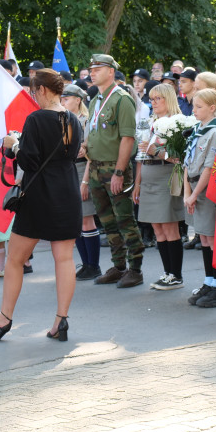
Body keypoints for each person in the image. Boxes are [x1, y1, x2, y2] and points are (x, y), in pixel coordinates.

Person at [0, 69, 83, 341]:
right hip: (67, 191)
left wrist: (14, 145)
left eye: (34, 91)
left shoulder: (36, 118)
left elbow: (30, 161)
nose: (33, 96)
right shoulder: (74, 119)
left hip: (39, 195)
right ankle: (61, 320)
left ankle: (4, 316)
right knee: (65, 258)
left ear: (44, 90)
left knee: (15, 259)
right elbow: (70, 156)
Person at [83, 55, 142, 288]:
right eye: (91, 68)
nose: (92, 72)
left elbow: (127, 138)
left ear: (111, 71)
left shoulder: (121, 99)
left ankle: (135, 268)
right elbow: (95, 130)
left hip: (114, 168)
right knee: (107, 221)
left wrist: (119, 172)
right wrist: (85, 145)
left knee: (125, 219)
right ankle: (118, 266)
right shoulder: (95, 99)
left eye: (97, 68)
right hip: (97, 167)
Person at [135, 84, 187, 290]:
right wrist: (137, 184)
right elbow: (141, 155)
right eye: (152, 99)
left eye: (158, 99)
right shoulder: (149, 122)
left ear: (168, 99)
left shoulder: (178, 123)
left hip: (165, 175)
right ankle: (167, 273)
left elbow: (179, 158)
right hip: (148, 175)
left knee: (169, 226)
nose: (153, 103)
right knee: (157, 227)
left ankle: (176, 275)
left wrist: (155, 151)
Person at [183, 89, 216, 307]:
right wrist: (186, 193)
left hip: (207, 189)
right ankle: (209, 281)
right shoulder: (197, 130)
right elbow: (187, 163)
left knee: (213, 237)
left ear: (212, 108)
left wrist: (195, 193)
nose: (194, 110)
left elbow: (210, 167)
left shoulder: (215, 132)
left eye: (199, 106)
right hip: (194, 187)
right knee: (205, 238)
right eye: (194, 106)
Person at [63, 84, 99, 280]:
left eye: (67, 98)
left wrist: (85, 182)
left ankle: (93, 264)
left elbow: (89, 155)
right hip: (67, 170)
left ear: (78, 99)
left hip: (81, 169)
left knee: (86, 219)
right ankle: (85, 264)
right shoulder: (63, 121)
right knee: (76, 221)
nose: (63, 102)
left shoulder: (86, 122)